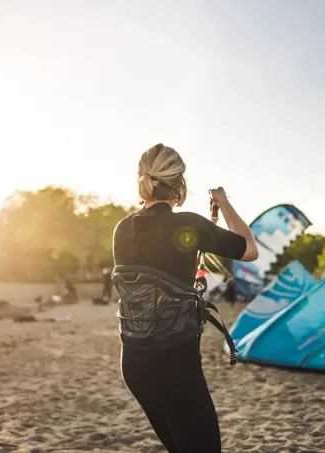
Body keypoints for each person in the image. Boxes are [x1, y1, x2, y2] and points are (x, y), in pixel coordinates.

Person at [112, 143, 259, 453]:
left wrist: (207, 228)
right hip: (174, 359)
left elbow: (163, 258)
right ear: (180, 182)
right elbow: (249, 249)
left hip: (134, 361)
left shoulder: (122, 229)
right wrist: (224, 203)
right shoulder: (188, 223)